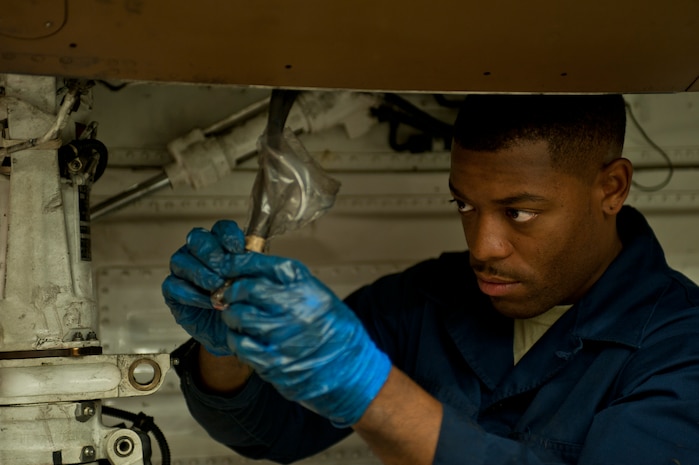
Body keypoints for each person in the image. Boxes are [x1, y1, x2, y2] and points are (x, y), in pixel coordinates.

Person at [163, 94, 699, 465]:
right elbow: (273, 434)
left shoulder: (681, 345)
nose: (482, 246)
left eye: (521, 212)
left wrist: (373, 391)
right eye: (464, 204)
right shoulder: (424, 302)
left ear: (612, 188)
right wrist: (228, 350)